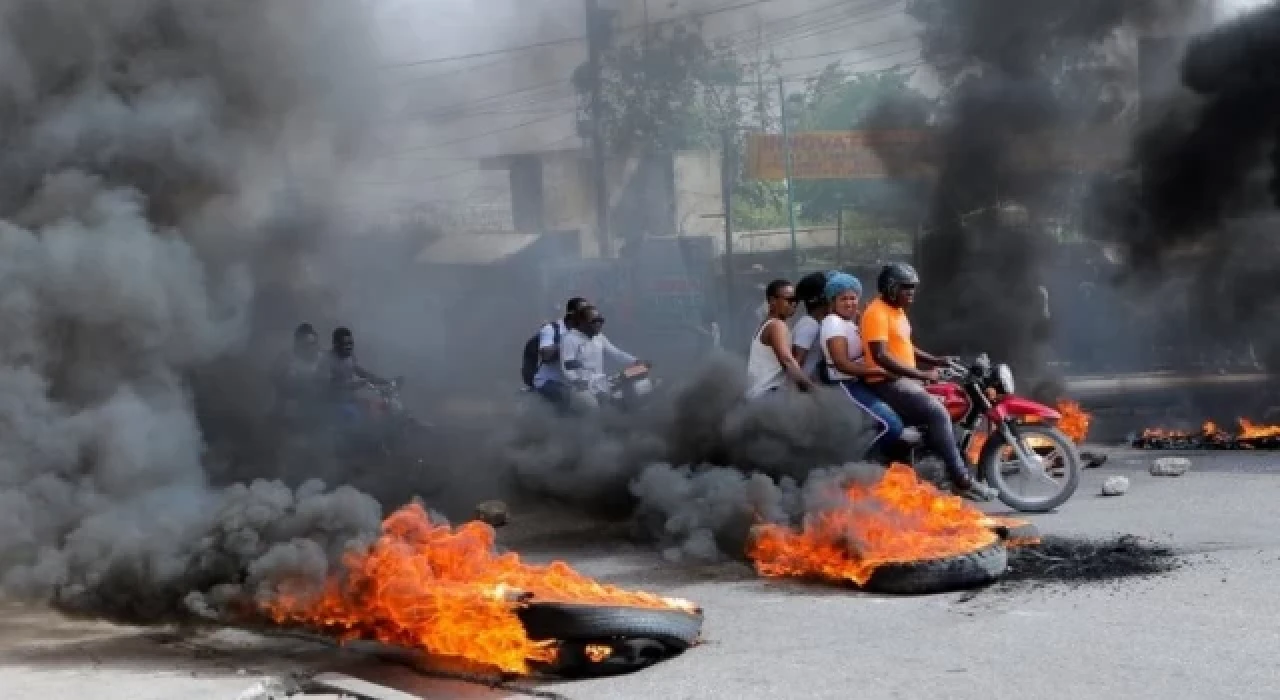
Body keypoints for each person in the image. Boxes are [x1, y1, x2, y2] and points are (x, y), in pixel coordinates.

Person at [861, 262, 998, 502]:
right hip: (886, 382)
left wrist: (935, 359)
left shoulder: (897, 312)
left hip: (905, 378)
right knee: (937, 413)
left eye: (914, 287)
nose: (912, 293)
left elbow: (905, 345)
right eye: (906, 288)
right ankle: (962, 480)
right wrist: (922, 375)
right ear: (891, 288)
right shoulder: (876, 313)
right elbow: (881, 356)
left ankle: (939, 464)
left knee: (949, 399)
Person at [819, 272, 908, 460]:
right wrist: (878, 371)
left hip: (860, 382)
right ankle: (863, 467)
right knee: (891, 425)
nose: (850, 303)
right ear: (832, 301)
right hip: (846, 385)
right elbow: (842, 364)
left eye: (853, 298)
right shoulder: (833, 323)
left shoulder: (848, 322)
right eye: (844, 299)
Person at [560, 305, 645, 407]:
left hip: (601, 383)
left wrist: (636, 361)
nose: (599, 324)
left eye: (601, 321)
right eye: (595, 321)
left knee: (628, 390)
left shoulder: (599, 337)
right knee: (593, 406)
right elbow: (566, 366)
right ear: (582, 322)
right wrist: (575, 380)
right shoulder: (570, 339)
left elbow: (616, 353)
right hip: (581, 388)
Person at [746, 279, 814, 398]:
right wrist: (814, 390)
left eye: (796, 300)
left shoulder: (768, 324)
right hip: (767, 394)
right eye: (789, 300)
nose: (794, 304)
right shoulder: (776, 325)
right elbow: (788, 361)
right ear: (772, 301)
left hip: (761, 394)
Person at [531, 297, 589, 411]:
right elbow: (546, 354)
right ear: (572, 314)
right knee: (568, 397)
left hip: (572, 381)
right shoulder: (551, 329)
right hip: (549, 381)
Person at [328, 326, 392, 423]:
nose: (349, 346)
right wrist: (356, 384)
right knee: (357, 419)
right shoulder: (328, 360)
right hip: (335, 404)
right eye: (345, 344)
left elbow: (364, 373)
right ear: (336, 344)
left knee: (381, 408)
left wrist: (385, 381)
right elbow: (327, 386)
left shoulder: (349, 358)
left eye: (351, 343)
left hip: (350, 399)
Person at [272, 322, 324, 426]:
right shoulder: (286, 357)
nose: (309, 348)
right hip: (290, 407)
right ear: (297, 343)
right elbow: (274, 377)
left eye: (312, 343)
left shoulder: (323, 359)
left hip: (318, 409)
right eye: (305, 344)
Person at [791, 270, 833, 381]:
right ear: (824, 297)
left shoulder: (818, 323)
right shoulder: (809, 325)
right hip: (804, 389)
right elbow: (796, 364)